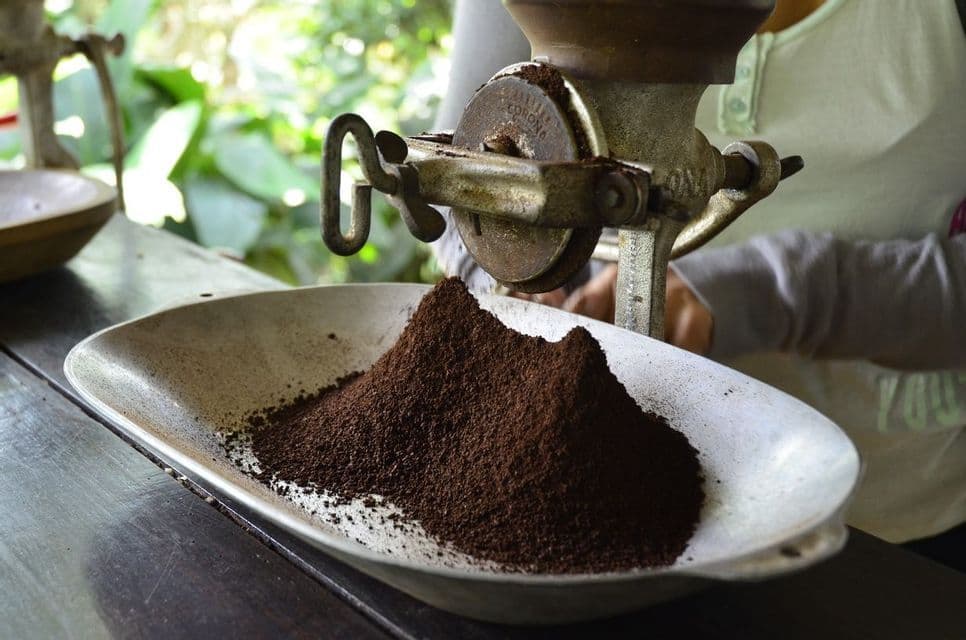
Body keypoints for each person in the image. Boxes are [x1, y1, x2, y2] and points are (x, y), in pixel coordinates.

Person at [432, 0, 966, 568]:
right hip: (585, 506)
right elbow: (463, 174)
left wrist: (768, 294)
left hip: (891, 525)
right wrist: (523, 290)